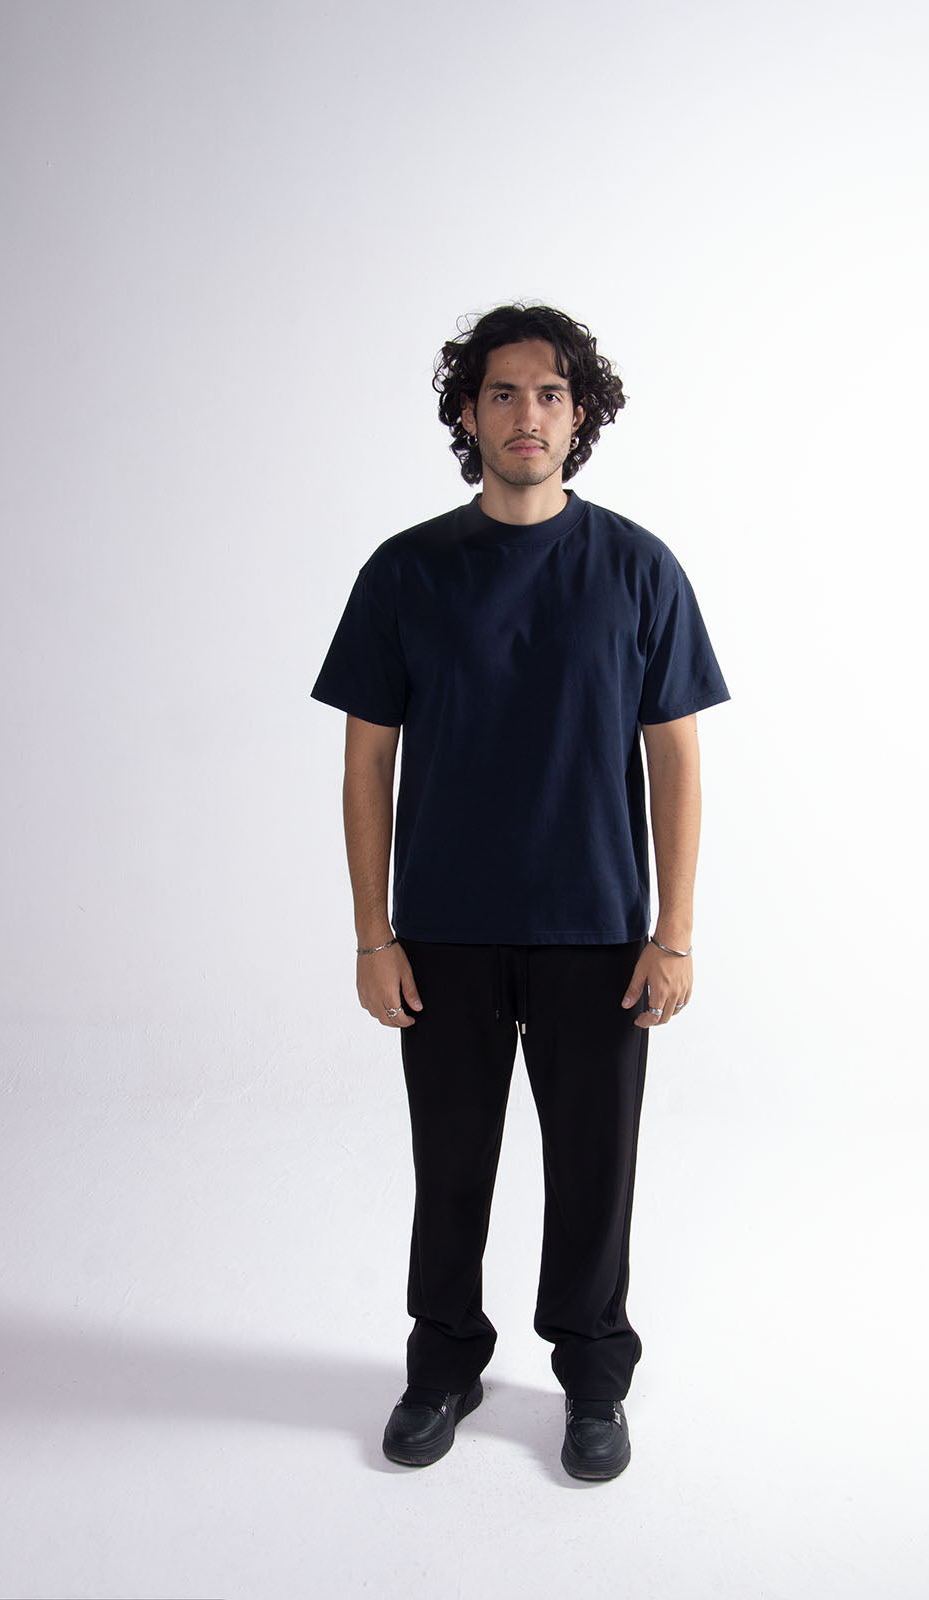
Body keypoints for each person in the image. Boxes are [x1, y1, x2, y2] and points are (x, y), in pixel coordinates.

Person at [310, 303, 730, 1481]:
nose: (527, 414)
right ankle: (442, 1361)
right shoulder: (405, 571)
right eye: (502, 393)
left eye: (550, 393)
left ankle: (593, 1378)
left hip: (597, 929)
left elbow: (677, 756)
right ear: (468, 413)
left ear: (579, 414)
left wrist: (675, 934)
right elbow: (366, 761)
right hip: (443, 930)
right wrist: (373, 935)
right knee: (450, 1163)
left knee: (595, 1171)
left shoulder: (639, 568)